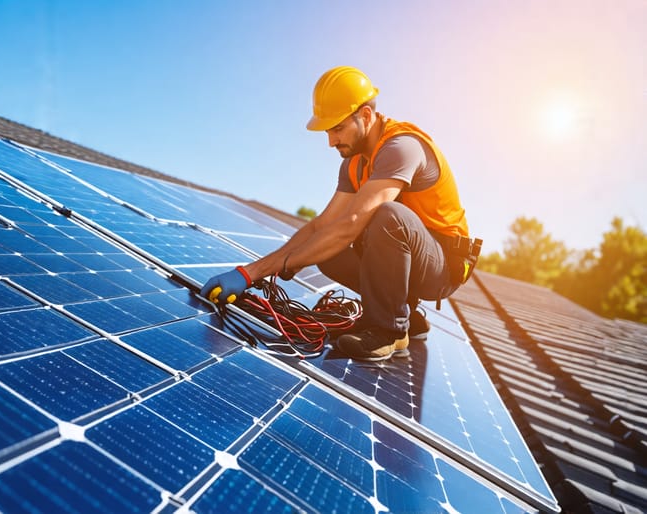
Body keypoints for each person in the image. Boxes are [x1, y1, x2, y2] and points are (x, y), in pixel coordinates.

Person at [200, 66, 480, 361]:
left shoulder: (402, 147)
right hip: (409, 256)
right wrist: (248, 272)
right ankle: (406, 315)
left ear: (366, 116)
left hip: (441, 267)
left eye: (337, 128)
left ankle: (390, 332)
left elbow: (353, 224)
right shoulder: (353, 164)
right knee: (325, 250)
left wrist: (271, 268)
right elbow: (323, 225)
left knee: (386, 216)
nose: (331, 141)